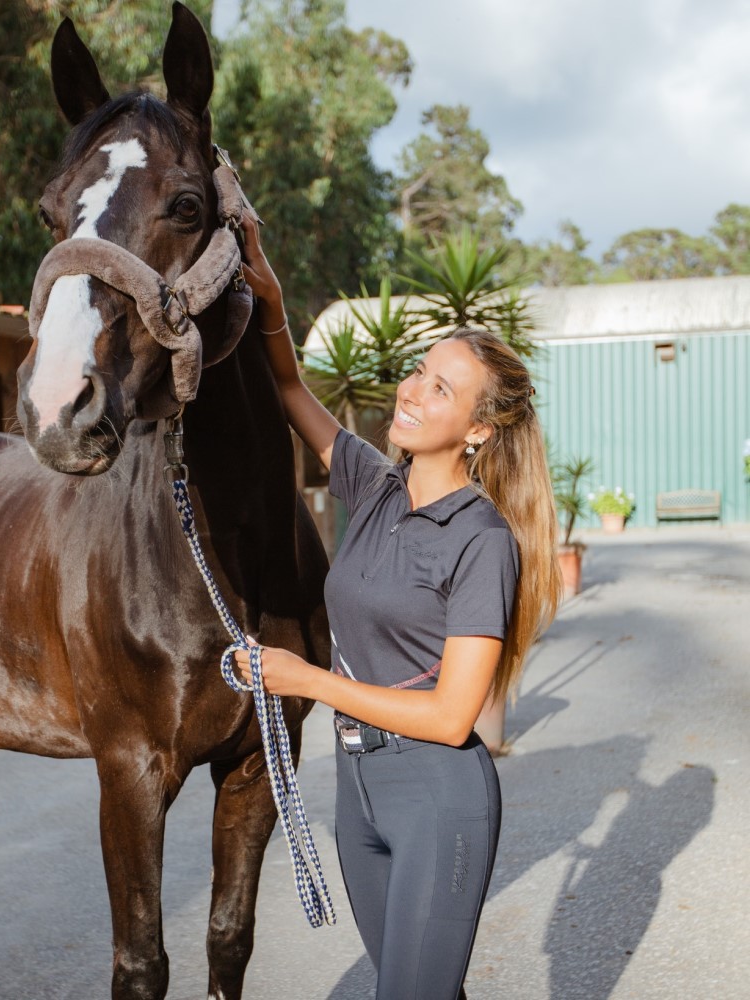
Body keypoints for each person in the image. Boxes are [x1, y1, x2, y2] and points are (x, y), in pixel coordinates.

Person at [234, 212, 562, 999]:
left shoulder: (482, 541)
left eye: (440, 388)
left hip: (437, 799)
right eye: (419, 370)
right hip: (360, 797)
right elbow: (287, 386)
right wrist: (271, 294)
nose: (411, 391)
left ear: (479, 430)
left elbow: (454, 718)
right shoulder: (374, 485)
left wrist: (306, 680)